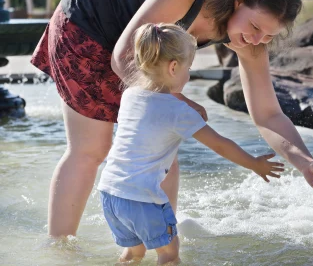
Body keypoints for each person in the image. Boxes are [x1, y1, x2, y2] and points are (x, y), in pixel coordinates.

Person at [30, 0, 313, 242]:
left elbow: (268, 114)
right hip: (89, 26)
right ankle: (59, 246)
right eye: (256, 26)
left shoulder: (251, 41)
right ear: (238, 0)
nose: (257, 39)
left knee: (164, 146)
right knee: (91, 149)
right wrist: (179, 103)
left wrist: (305, 162)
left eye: (269, 35)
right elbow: (123, 56)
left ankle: (162, 242)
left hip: (139, 52)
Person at [98, 23, 283, 264]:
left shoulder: (130, 95)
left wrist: (187, 104)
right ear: (174, 67)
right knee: (169, 254)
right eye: (189, 69)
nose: (188, 75)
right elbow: (220, 145)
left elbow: (158, 102)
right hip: (141, 198)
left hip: (110, 193)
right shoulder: (178, 112)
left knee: (134, 253)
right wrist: (253, 163)